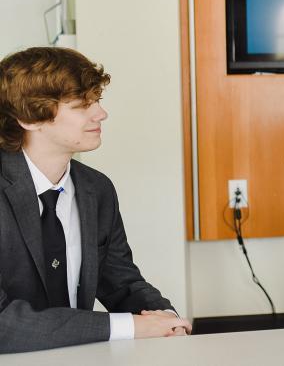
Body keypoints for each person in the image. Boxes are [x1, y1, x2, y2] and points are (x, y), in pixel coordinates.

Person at [0, 47, 190, 354]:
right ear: (27, 118)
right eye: (80, 105)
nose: (101, 113)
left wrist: (165, 318)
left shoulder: (96, 189)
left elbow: (122, 281)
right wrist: (129, 327)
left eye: (97, 100)